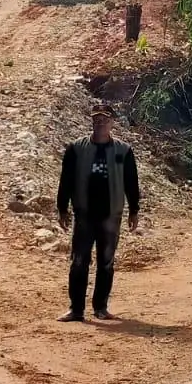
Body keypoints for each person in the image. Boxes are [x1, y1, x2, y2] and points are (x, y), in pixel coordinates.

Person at [56, 106, 141, 321]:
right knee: (78, 261)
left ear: (112, 122)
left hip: (111, 215)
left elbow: (131, 182)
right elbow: (65, 180)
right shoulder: (76, 149)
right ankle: (76, 310)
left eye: (105, 119)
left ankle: (101, 308)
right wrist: (62, 208)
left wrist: (134, 210)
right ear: (91, 121)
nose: (100, 122)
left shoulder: (123, 151)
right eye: (97, 119)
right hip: (84, 214)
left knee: (106, 262)